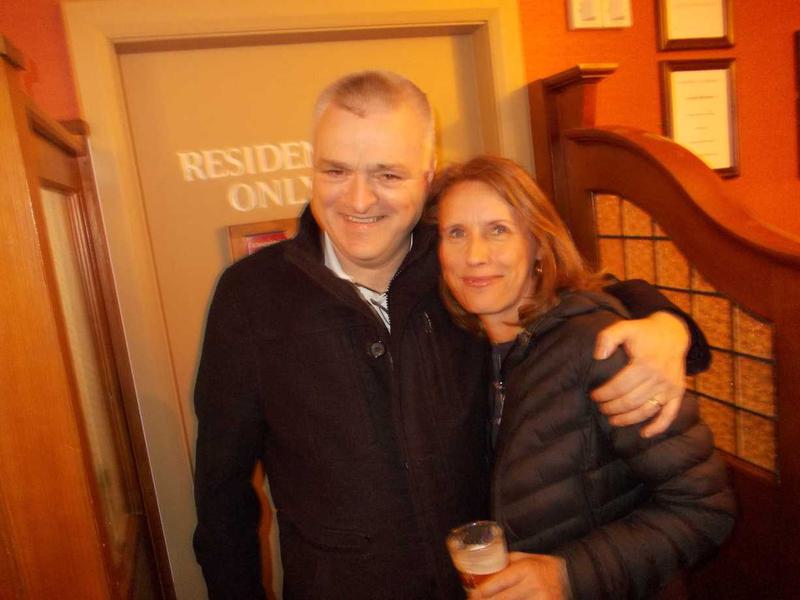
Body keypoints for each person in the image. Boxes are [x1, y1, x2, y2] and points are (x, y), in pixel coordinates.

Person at [193, 71, 711, 599]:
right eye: (336, 170)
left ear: (426, 177)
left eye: (387, 174)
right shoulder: (252, 297)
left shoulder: (458, 268)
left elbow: (579, 291)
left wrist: (669, 326)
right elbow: (221, 496)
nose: (359, 199)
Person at [430, 155, 735, 599]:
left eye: (498, 230)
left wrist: (568, 575)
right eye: (456, 233)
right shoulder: (465, 352)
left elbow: (704, 508)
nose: (475, 255)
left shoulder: (604, 347)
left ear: (538, 244)